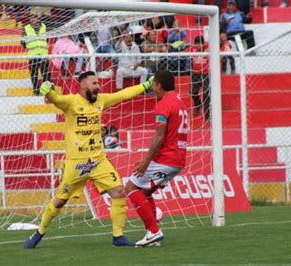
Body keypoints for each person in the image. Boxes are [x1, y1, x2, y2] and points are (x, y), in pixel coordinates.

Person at [25, 71, 155, 249]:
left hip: (98, 160)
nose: (98, 87)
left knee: (118, 192)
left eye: (98, 83)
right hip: (76, 163)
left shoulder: (101, 100)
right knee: (60, 200)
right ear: (83, 85)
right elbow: (57, 99)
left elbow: (123, 94)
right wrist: (47, 90)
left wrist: (146, 86)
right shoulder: (71, 102)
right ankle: (39, 232)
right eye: (94, 83)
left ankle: (118, 236)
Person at [125, 70, 188, 247]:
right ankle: (152, 228)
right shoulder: (179, 102)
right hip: (178, 159)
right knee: (144, 192)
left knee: (130, 187)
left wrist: (146, 161)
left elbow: (159, 135)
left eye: (153, 83)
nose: (151, 87)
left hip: (165, 159)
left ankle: (154, 231)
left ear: (159, 85)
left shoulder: (164, 104)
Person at [21, 13, 51, 96]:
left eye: (35, 17)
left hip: (43, 55)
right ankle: (36, 91)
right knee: (34, 75)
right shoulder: (26, 28)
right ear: (30, 19)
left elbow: (47, 39)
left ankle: (47, 92)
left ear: (38, 18)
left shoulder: (44, 27)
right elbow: (22, 42)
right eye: (32, 18)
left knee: (46, 74)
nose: (34, 19)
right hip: (32, 55)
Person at [190, 36, 210, 123]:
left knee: (206, 94)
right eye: (197, 43)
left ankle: (207, 117)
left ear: (203, 43)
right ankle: (198, 104)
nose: (198, 45)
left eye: (200, 43)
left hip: (206, 75)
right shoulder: (192, 49)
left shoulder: (208, 49)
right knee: (192, 92)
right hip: (195, 74)